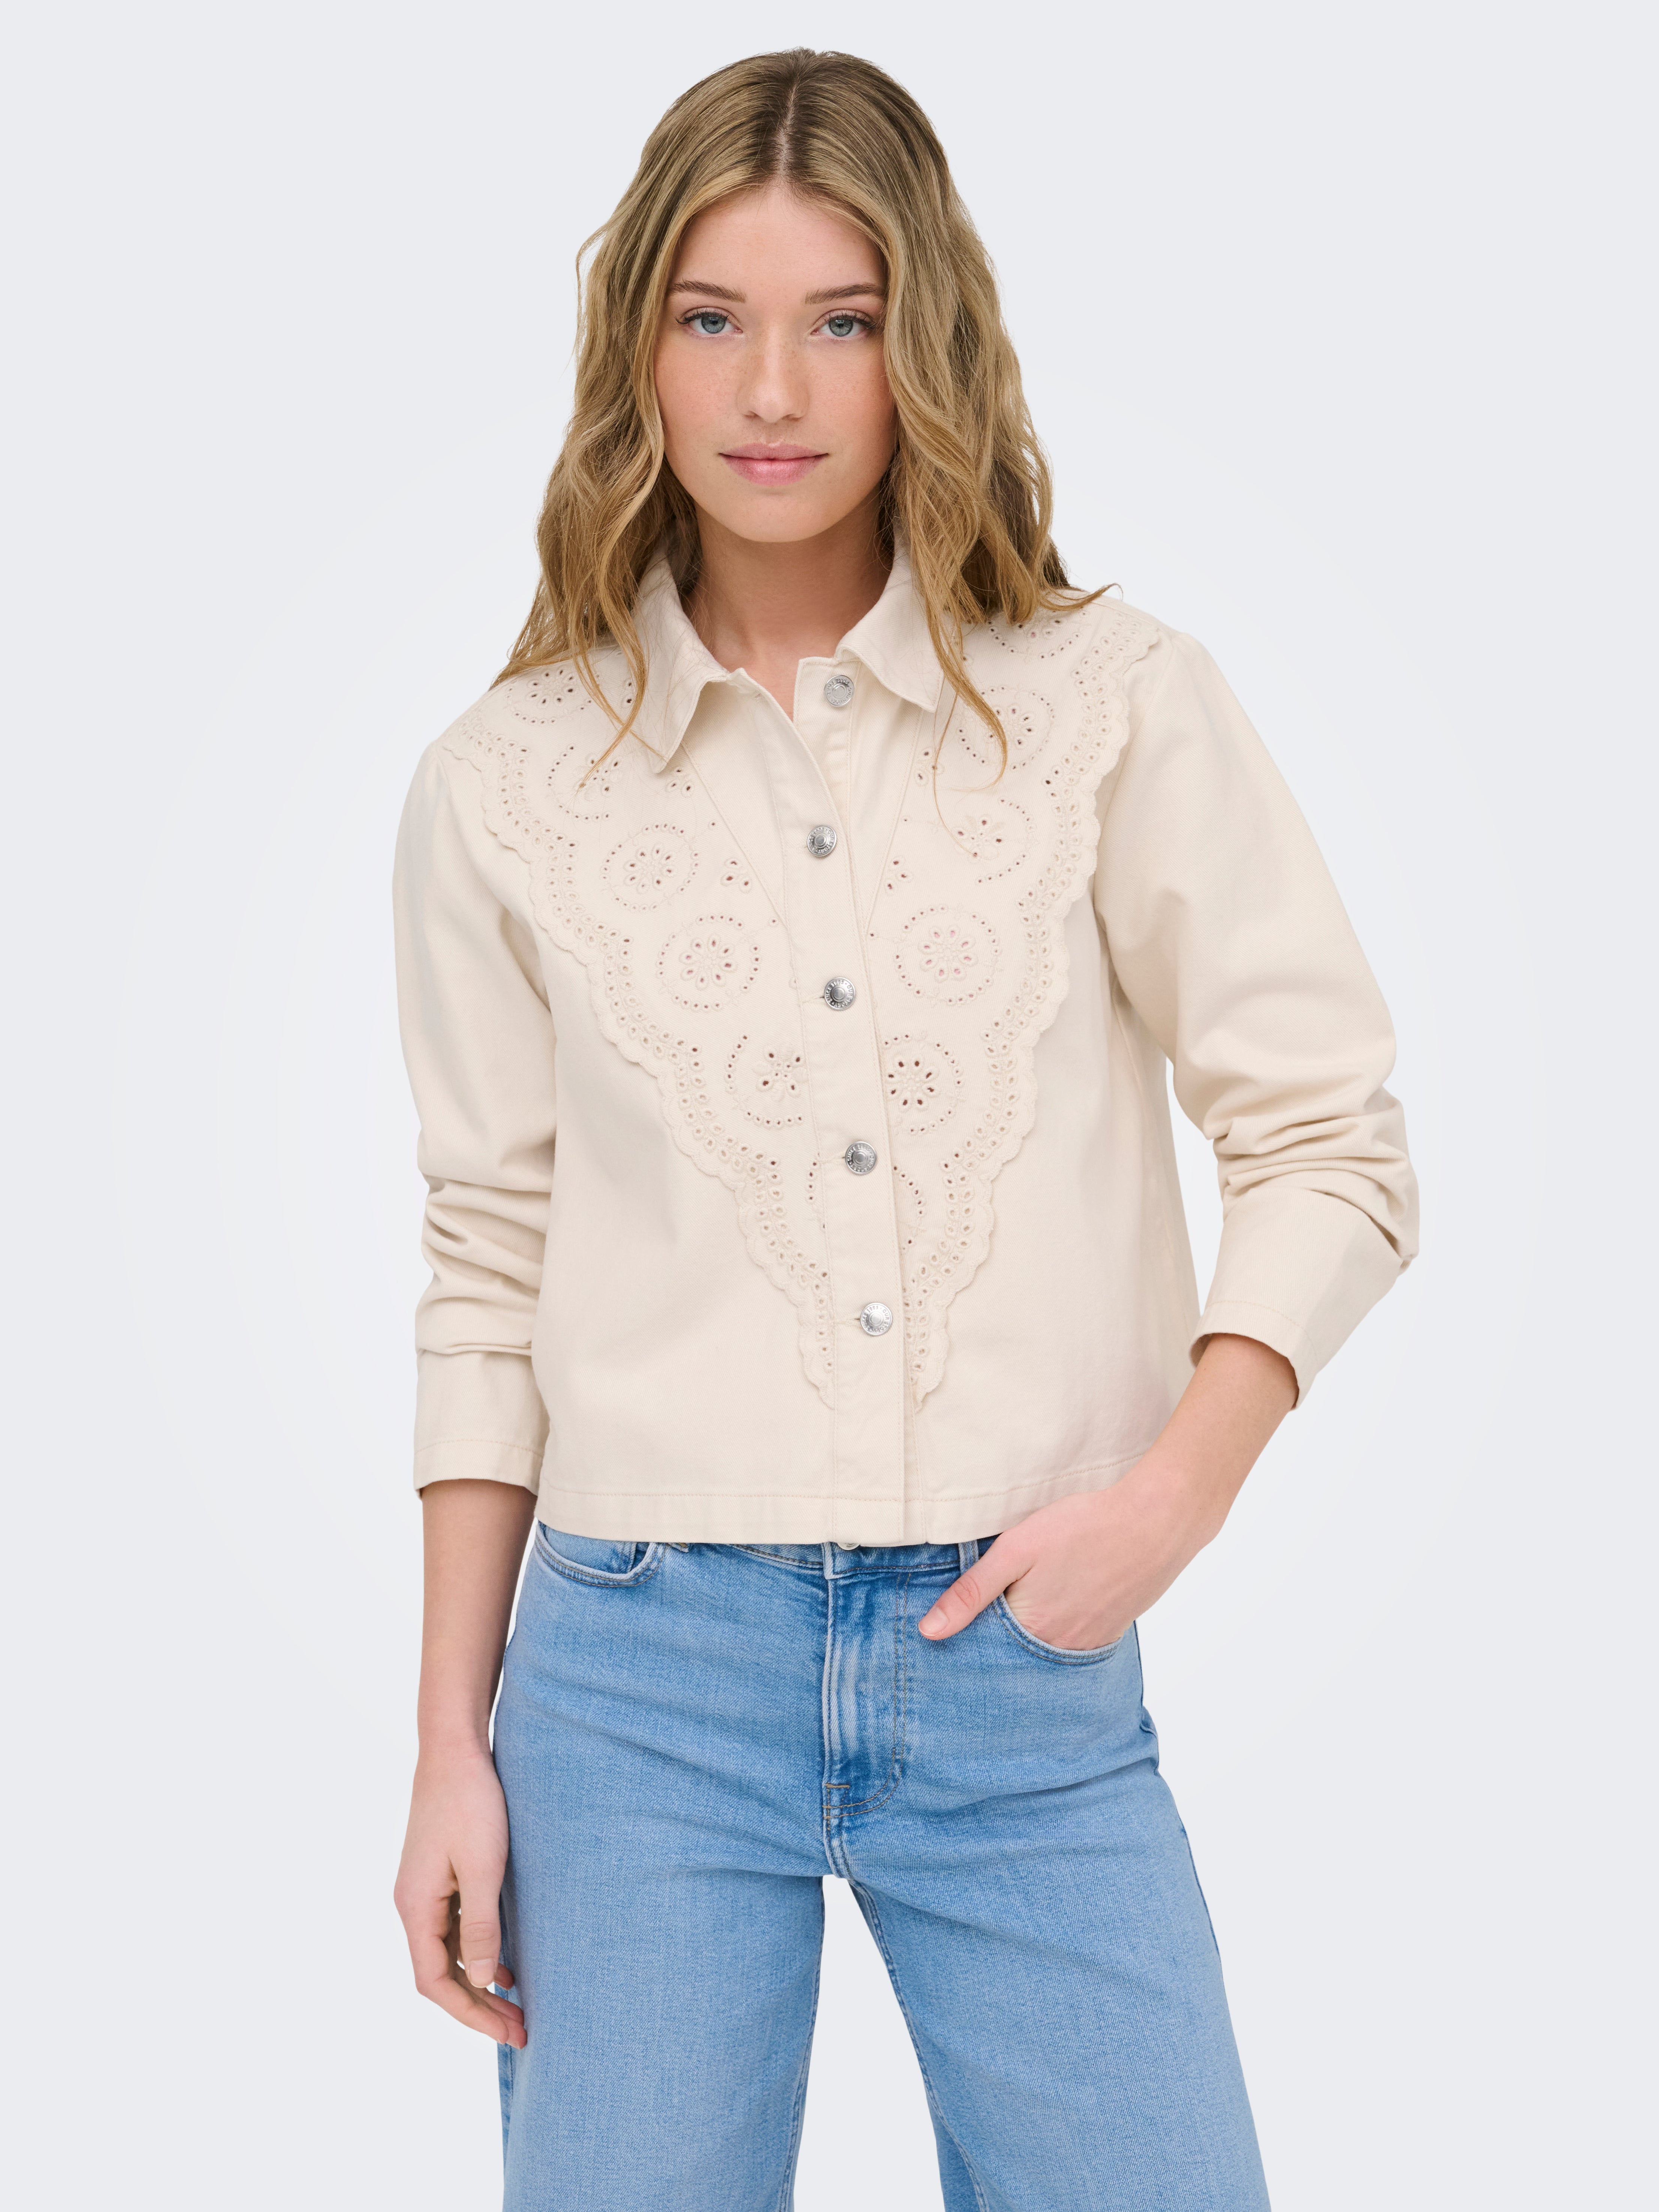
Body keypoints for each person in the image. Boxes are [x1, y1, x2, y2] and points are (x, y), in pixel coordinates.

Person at [390, 46, 1418, 2212]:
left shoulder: (1108, 707)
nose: (773, 389)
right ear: (638, 350)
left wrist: (1170, 1504)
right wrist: (447, 1747)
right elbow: (487, 1265)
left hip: (1024, 1664)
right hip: (637, 1681)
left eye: (839, 321)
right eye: (713, 317)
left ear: (921, 343)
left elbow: (1329, 1134)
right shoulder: (506, 787)